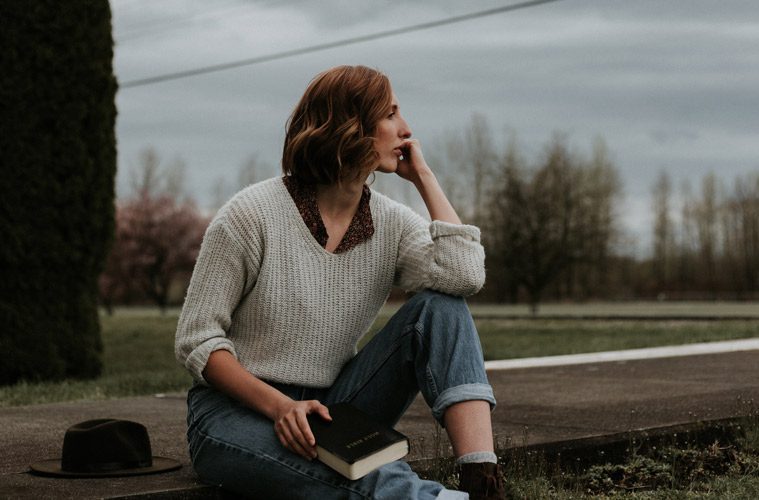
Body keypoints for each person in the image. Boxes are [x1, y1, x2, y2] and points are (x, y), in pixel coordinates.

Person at [175, 65, 505, 500]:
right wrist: (281, 407)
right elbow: (196, 340)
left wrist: (425, 178)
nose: (407, 131)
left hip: (337, 406)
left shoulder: (391, 224)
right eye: (390, 115)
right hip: (234, 414)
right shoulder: (250, 215)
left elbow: (464, 275)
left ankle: (483, 482)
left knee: (441, 309)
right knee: (347, 474)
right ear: (351, 126)